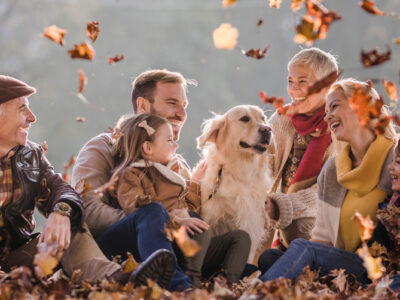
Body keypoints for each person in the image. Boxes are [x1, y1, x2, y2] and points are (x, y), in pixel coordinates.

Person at [72, 69, 250, 289]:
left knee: (251, 264)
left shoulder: (177, 166)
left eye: (184, 106)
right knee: (154, 211)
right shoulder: (103, 147)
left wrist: (202, 189)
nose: (182, 114)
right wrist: (160, 220)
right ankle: (178, 285)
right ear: (143, 106)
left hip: (173, 248)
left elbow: (192, 220)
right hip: (119, 250)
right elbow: (87, 210)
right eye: (172, 103)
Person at [0, 75, 176, 288]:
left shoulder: (31, 156)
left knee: (68, 224)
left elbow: (61, 190)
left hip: (16, 258)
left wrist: (62, 211)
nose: (32, 117)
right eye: (22, 109)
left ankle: (121, 278)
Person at [259, 78, 397, 282]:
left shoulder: (393, 161)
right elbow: (322, 237)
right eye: (326, 111)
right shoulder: (333, 170)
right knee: (271, 257)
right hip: (340, 268)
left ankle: (254, 294)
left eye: (334, 107)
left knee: (301, 249)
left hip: (378, 268)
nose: (327, 117)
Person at [263, 48, 339, 254]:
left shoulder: (337, 126)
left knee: (299, 225)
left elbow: (328, 191)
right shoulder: (282, 120)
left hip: (326, 220)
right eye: (290, 81)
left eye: (303, 82)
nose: (294, 89)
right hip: (279, 214)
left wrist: (281, 205)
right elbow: (262, 166)